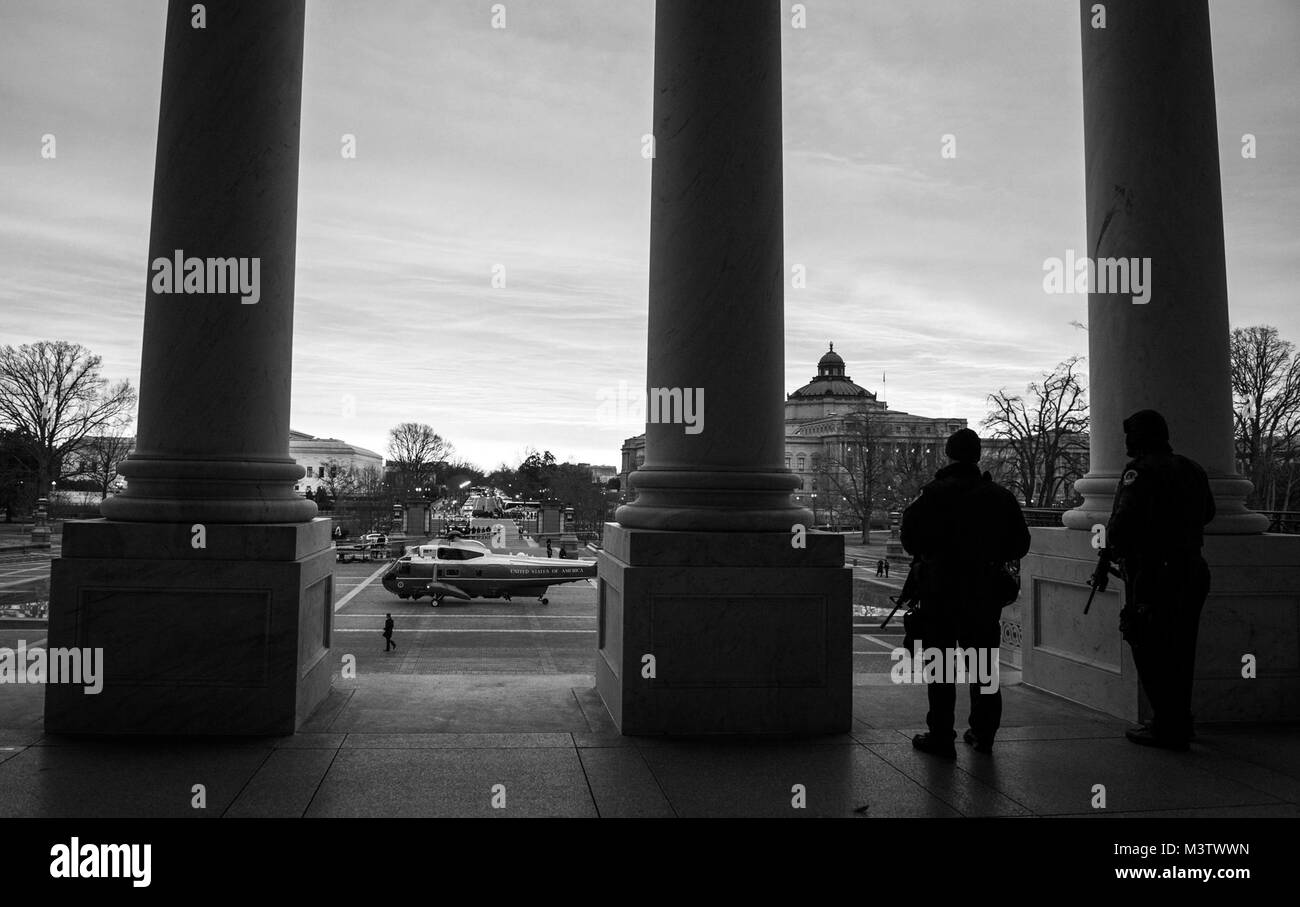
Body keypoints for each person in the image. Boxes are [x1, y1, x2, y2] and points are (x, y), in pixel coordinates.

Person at [901, 428, 1030, 757]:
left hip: (941, 589)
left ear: (948, 454)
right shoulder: (998, 496)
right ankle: (984, 732)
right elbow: (1020, 544)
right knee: (984, 665)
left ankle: (942, 735)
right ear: (978, 456)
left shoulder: (933, 494)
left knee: (941, 665)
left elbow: (910, 541)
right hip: (983, 589)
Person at [1107, 409, 1214, 751]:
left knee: (1148, 645)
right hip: (1191, 567)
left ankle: (1166, 723)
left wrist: (1119, 550)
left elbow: (1122, 523)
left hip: (1154, 572)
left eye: (1130, 435)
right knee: (1182, 648)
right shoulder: (1191, 468)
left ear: (1142, 437)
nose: (1126, 442)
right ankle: (1180, 719)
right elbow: (1208, 512)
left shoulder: (1139, 471)